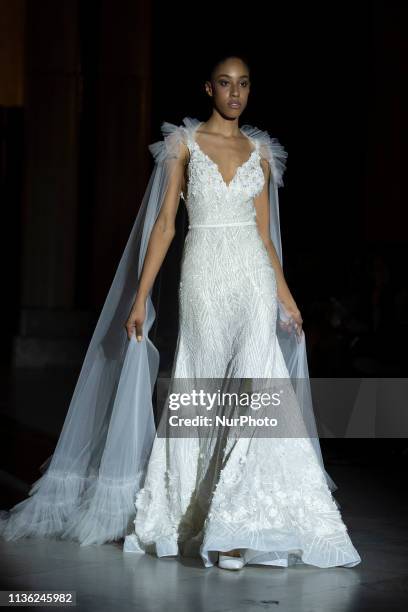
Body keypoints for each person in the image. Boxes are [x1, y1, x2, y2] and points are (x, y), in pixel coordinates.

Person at [0, 53, 361, 572]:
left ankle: (238, 526)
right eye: (225, 83)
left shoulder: (261, 152)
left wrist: (286, 295)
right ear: (208, 88)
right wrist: (141, 295)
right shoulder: (183, 146)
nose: (235, 93)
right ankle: (194, 513)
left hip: (252, 278)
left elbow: (264, 236)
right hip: (204, 278)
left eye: (244, 84)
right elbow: (166, 224)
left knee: (258, 386)